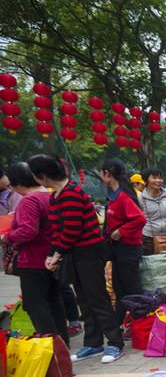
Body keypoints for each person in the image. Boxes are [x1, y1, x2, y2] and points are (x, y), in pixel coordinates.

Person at [29, 154, 125, 363]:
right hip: (74, 253)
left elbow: (72, 231)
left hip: (89, 252)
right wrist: (52, 253)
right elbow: (58, 231)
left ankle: (115, 343)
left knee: (97, 298)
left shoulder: (71, 193)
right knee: (84, 300)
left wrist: (56, 254)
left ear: (42, 176)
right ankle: (93, 343)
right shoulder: (56, 195)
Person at [0, 162, 68, 345]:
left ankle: (50, 345)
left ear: (18, 183)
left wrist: (6, 237)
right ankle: (62, 343)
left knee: (35, 304)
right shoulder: (50, 195)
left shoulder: (29, 201)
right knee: (54, 301)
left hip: (33, 260)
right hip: (52, 257)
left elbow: (27, 231)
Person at [100, 159, 147, 326]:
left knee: (133, 289)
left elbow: (140, 219)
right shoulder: (114, 195)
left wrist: (120, 231)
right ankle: (118, 324)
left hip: (128, 249)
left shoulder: (123, 196)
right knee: (119, 288)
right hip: (118, 249)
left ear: (107, 174)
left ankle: (142, 325)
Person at [138, 168, 166, 255]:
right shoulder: (140, 198)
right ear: (146, 180)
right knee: (151, 262)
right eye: (154, 178)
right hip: (149, 238)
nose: (158, 180)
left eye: (160, 178)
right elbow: (138, 219)